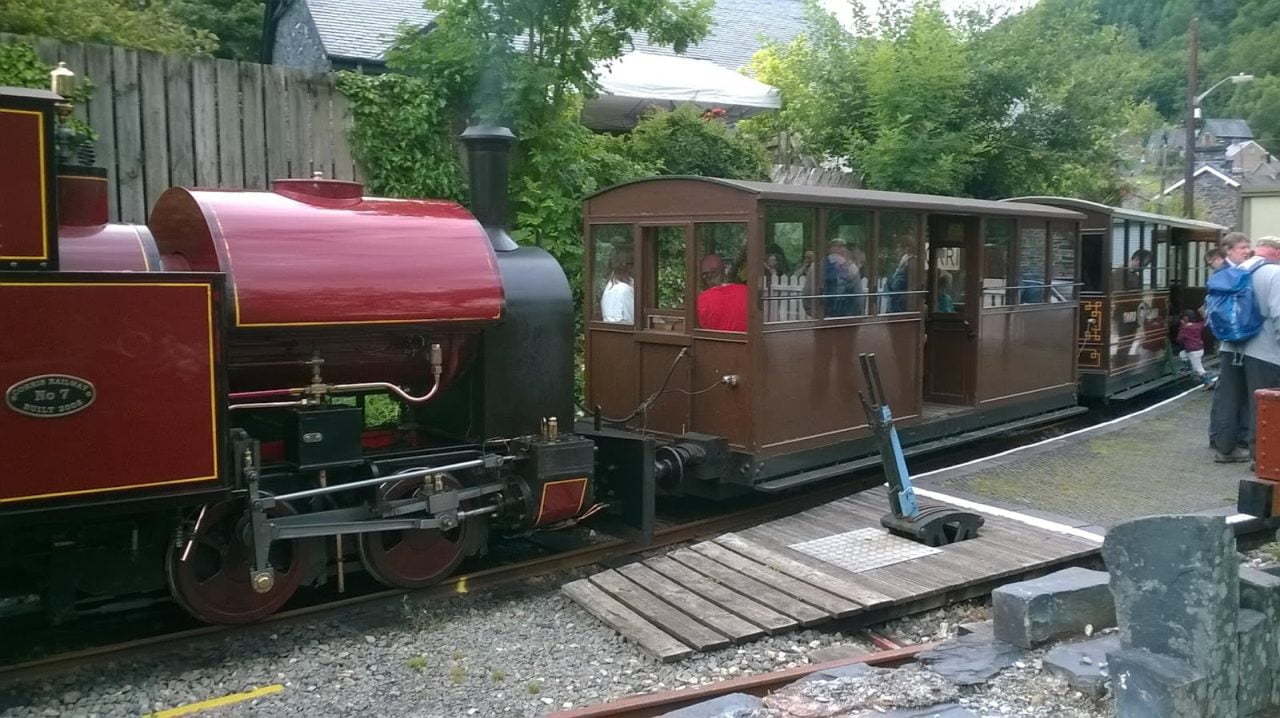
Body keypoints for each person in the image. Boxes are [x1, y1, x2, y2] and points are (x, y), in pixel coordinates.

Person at [1209, 237, 1280, 464]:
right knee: (1263, 402)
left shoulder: (1236, 269)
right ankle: (1261, 458)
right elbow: (1278, 314)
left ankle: (1225, 449)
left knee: (1228, 398)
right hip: (1263, 349)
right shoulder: (1275, 274)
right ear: (1277, 253)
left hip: (1230, 346)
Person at [696, 254, 747, 332]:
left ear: (706, 276)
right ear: (724, 271)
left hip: (716, 343)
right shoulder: (747, 292)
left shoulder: (704, 299)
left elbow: (704, 331)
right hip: (748, 343)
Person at [1176, 309, 1213, 388]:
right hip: (1200, 349)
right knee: (1182, 354)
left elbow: (1179, 339)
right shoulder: (1198, 325)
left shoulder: (1184, 328)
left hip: (1192, 351)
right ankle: (1189, 368)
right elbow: (1205, 322)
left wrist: (1182, 327)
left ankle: (1208, 382)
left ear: (1185, 318)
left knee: (1199, 369)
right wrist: (1203, 314)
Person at [600, 244, 634, 324]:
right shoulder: (624, 290)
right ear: (626, 266)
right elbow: (632, 321)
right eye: (632, 264)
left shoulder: (611, 285)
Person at [884, 239, 915, 313]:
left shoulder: (908, 265)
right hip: (897, 306)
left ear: (906, 249)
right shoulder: (902, 265)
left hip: (898, 308)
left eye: (898, 248)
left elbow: (894, 288)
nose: (896, 251)